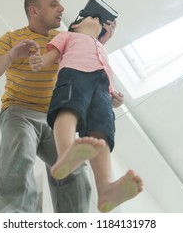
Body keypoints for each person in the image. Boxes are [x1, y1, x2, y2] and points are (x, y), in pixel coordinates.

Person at [0, 0, 120, 213]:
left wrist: (100, 42)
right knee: (20, 153)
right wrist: (12, 54)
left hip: (53, 117)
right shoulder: (11, 38)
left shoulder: (64, 37)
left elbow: (82, 65)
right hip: (19, 111)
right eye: (54, 4)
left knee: (76, 170)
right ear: (34, 10)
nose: (62, 8)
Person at [29, 15, 143, 213]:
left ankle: (105, 187)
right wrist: (40, 60)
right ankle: (66, 154)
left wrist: (116, 98)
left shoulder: (101, 47)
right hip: (74, 73)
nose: (97, 19)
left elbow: (106, 72)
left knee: (101, 132)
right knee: (68, 108)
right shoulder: (68, 36)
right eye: (91, 17)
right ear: (76, 25)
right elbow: (52, 55)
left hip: (103, 89)